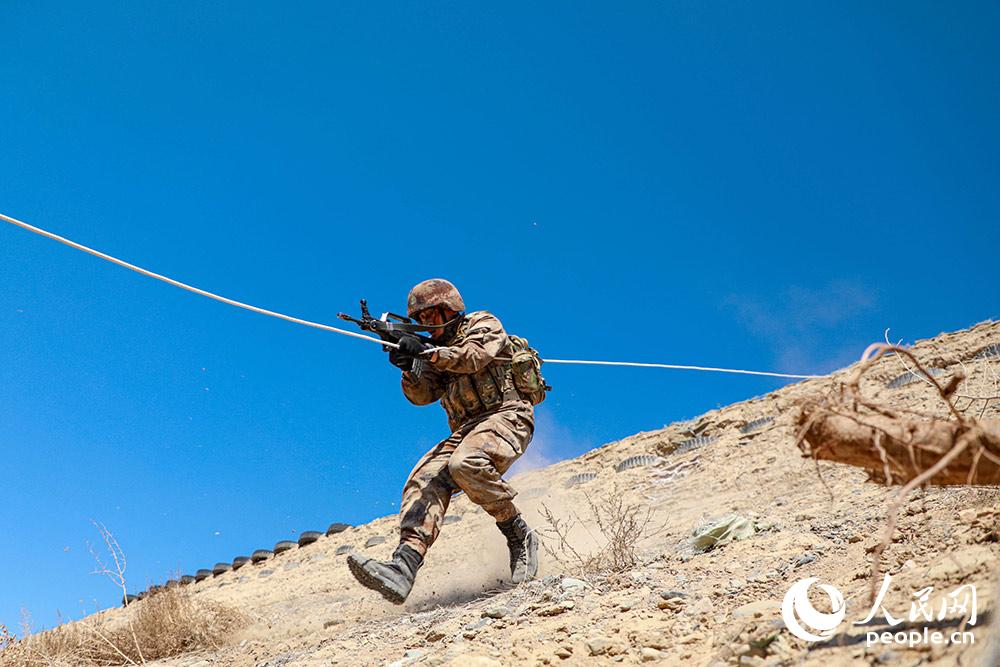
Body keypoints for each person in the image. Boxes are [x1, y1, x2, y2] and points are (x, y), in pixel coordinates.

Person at [347, 278, 539, 604]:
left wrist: (426, 350)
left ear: (446, 309)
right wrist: (409, 366)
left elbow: (473, 357)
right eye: (418, 321)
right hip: (467, 429)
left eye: (427, 318)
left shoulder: (482, 322)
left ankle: (518, 534)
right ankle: (403, 566)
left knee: (465, 464)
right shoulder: (433, 348)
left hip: (508, 415)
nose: (423, 326)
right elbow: (423, 396)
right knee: (422, 479)